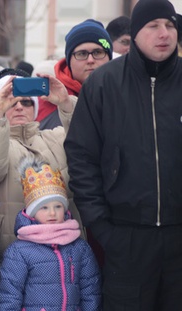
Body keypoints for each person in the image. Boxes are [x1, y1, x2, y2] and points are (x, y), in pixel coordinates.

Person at [64, 0, 182, 309]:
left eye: (170, 25)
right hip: (126, 239)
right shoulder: (104, 84)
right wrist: (103, 228)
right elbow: (81, 157)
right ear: (135, 33)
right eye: (154, 25)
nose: (164, 33)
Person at [0, 68, 83, 259]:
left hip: (67, 254)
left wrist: (65, 103)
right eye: (11, 102)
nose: (20, 107)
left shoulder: (56, 137)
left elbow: (88, 145)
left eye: (26, 102)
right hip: (16, 257)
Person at [0, 156, 100, 311]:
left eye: (58, 206)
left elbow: (90, 291)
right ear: (32, 212)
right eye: (43, 208)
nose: (52, 213)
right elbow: (9, 295)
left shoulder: (79, 247)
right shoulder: (19, 251)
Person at [37, 19, 112, 130]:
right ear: (69, 62)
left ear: (109, 58)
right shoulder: (48, 98)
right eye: (82, 54)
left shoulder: (125, 92)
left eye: (98, 52)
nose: (90, 60)